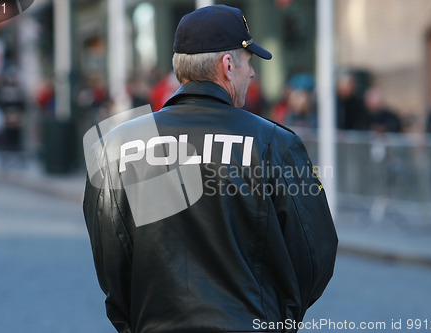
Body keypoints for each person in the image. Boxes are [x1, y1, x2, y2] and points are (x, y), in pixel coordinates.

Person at [83, 5, 337, 333]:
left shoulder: (113, 146)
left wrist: (137, 322)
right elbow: (315, 252)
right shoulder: (275, 142)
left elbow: (110, 259)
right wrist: (276, 321)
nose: (253, 73)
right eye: (249, 62)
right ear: (228, 65)